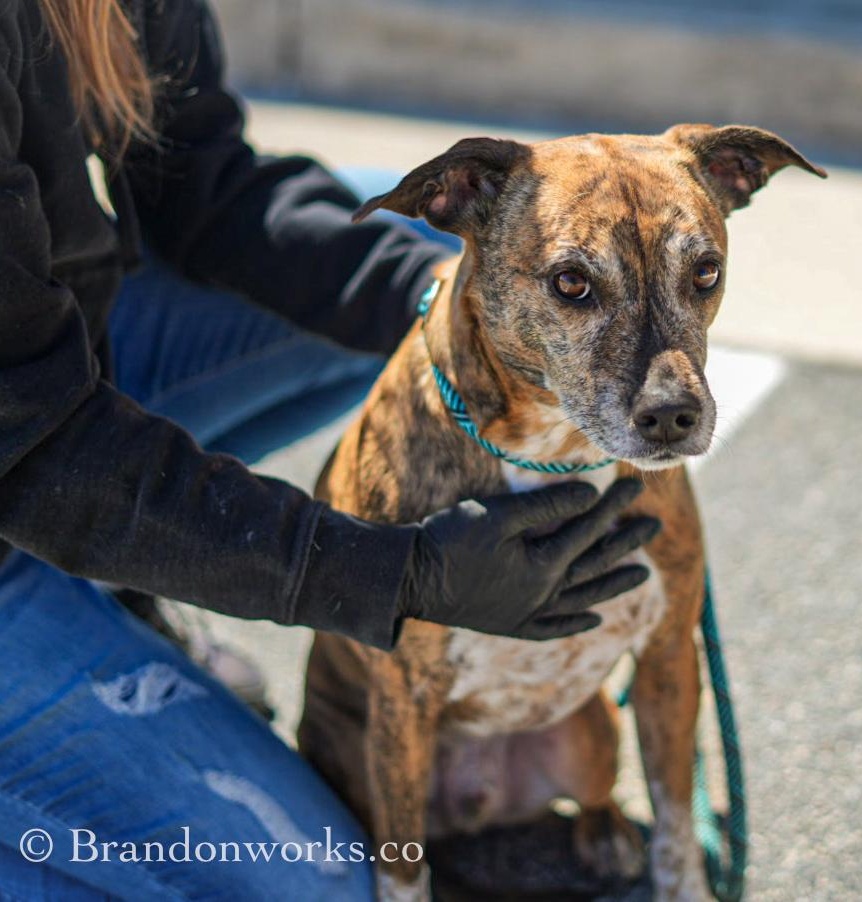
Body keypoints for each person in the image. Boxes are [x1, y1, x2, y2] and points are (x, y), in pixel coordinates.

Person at [0, 0, 658, 898]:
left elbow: (204, 180)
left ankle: (114, 575)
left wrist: (436, 298)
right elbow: (38, 455)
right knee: (319, 884)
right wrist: (396, 577)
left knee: (447, 239)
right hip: (25, 458)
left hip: (41, 373)